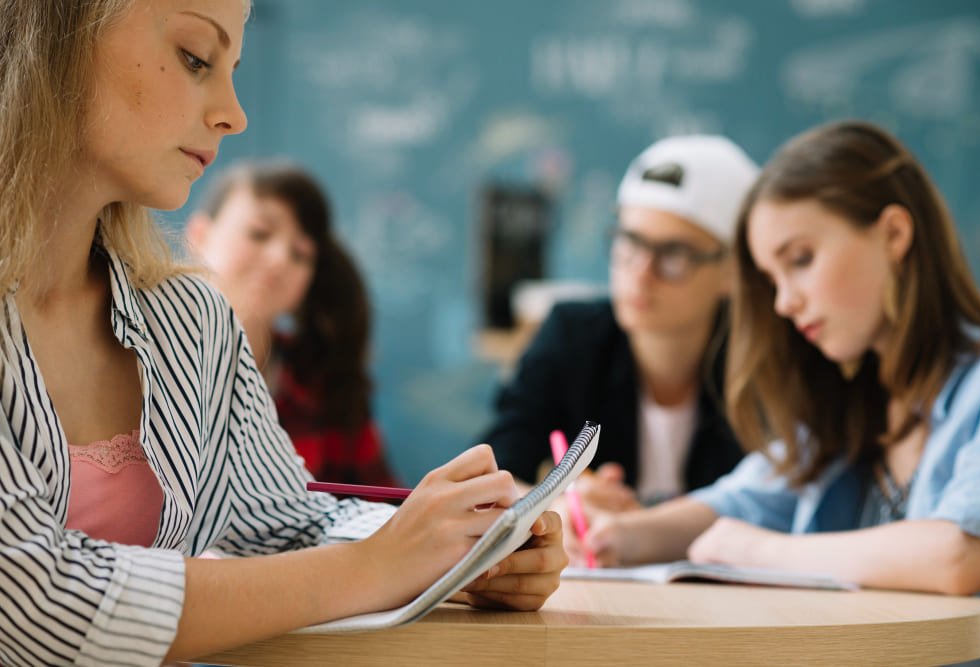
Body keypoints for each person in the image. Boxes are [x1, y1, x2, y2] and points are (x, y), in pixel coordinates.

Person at [0, 2, 566, 665]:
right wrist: (376, 569)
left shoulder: (191, 320)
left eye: (233, 68)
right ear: (57, 37)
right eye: (195, 57)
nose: (234, 114)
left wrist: (462, 546)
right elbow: (30, 599)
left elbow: (292, 521)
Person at [586, 120, 980, 658]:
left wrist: (761, 551)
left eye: (800, 260)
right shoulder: (851, 394)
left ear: (894, 234)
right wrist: (618, 537)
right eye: (771, 278)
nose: (784, 303)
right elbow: (746, 499)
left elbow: (959, 554)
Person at [482, 135, 757, 541]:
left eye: (674, 254)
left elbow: (782, 501)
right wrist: (554, 503)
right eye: (629, 241)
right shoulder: (572, 336)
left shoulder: (763, 361)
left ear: (734, 270)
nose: (640, 273)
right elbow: (492, 475)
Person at [186, 161, 399, 488]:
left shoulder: (325, 381)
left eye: (301, 254)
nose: (280, 258)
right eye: (259, 233)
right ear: (200, 235)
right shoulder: (138, 359)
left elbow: (385, 503)